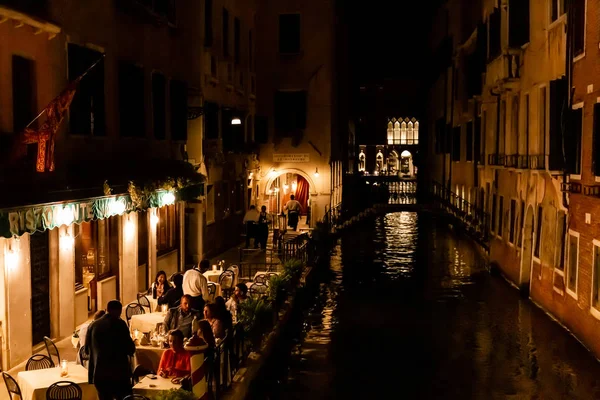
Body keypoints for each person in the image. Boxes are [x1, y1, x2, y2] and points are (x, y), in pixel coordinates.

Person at [85, 300, 135, 400]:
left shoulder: (92, 325)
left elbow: (86, 350)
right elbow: (130, 349)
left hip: (99, 375)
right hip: (118, 375)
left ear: (107, 309)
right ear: (119, 311)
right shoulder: (120, 324)